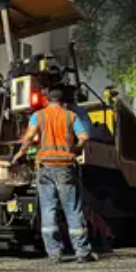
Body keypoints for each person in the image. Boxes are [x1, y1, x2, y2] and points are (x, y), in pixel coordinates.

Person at [11, 88, 97, 263]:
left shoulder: (38, 115)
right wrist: (75, 149)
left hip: (45, 166)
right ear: (63, 102)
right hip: (66, 166)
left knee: (48, 209)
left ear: (47, 101)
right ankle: (82, 252)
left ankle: (54, 253)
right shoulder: (70, 116)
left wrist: (20, 153)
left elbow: (28, 137)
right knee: (72, 209)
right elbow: (84, 137)